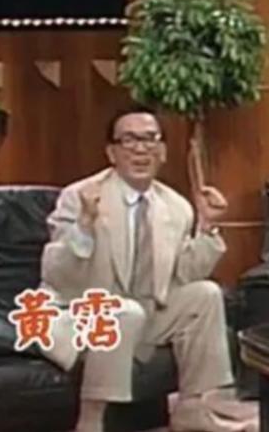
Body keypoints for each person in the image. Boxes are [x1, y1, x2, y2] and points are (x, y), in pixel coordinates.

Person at [40, 107, 242, 432]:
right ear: (112, 152)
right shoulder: (80, 197)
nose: (140, 149)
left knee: (206, 295)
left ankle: (192, 408)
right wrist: (85, 226)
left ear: (162, 151)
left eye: (150, 139)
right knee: (125, 312)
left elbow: (184, 274)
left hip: (145, 313)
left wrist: (207, 226)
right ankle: (91, 420)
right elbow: (59, 277)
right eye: (129, 140)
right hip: (84, 313)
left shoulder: (176, 206)